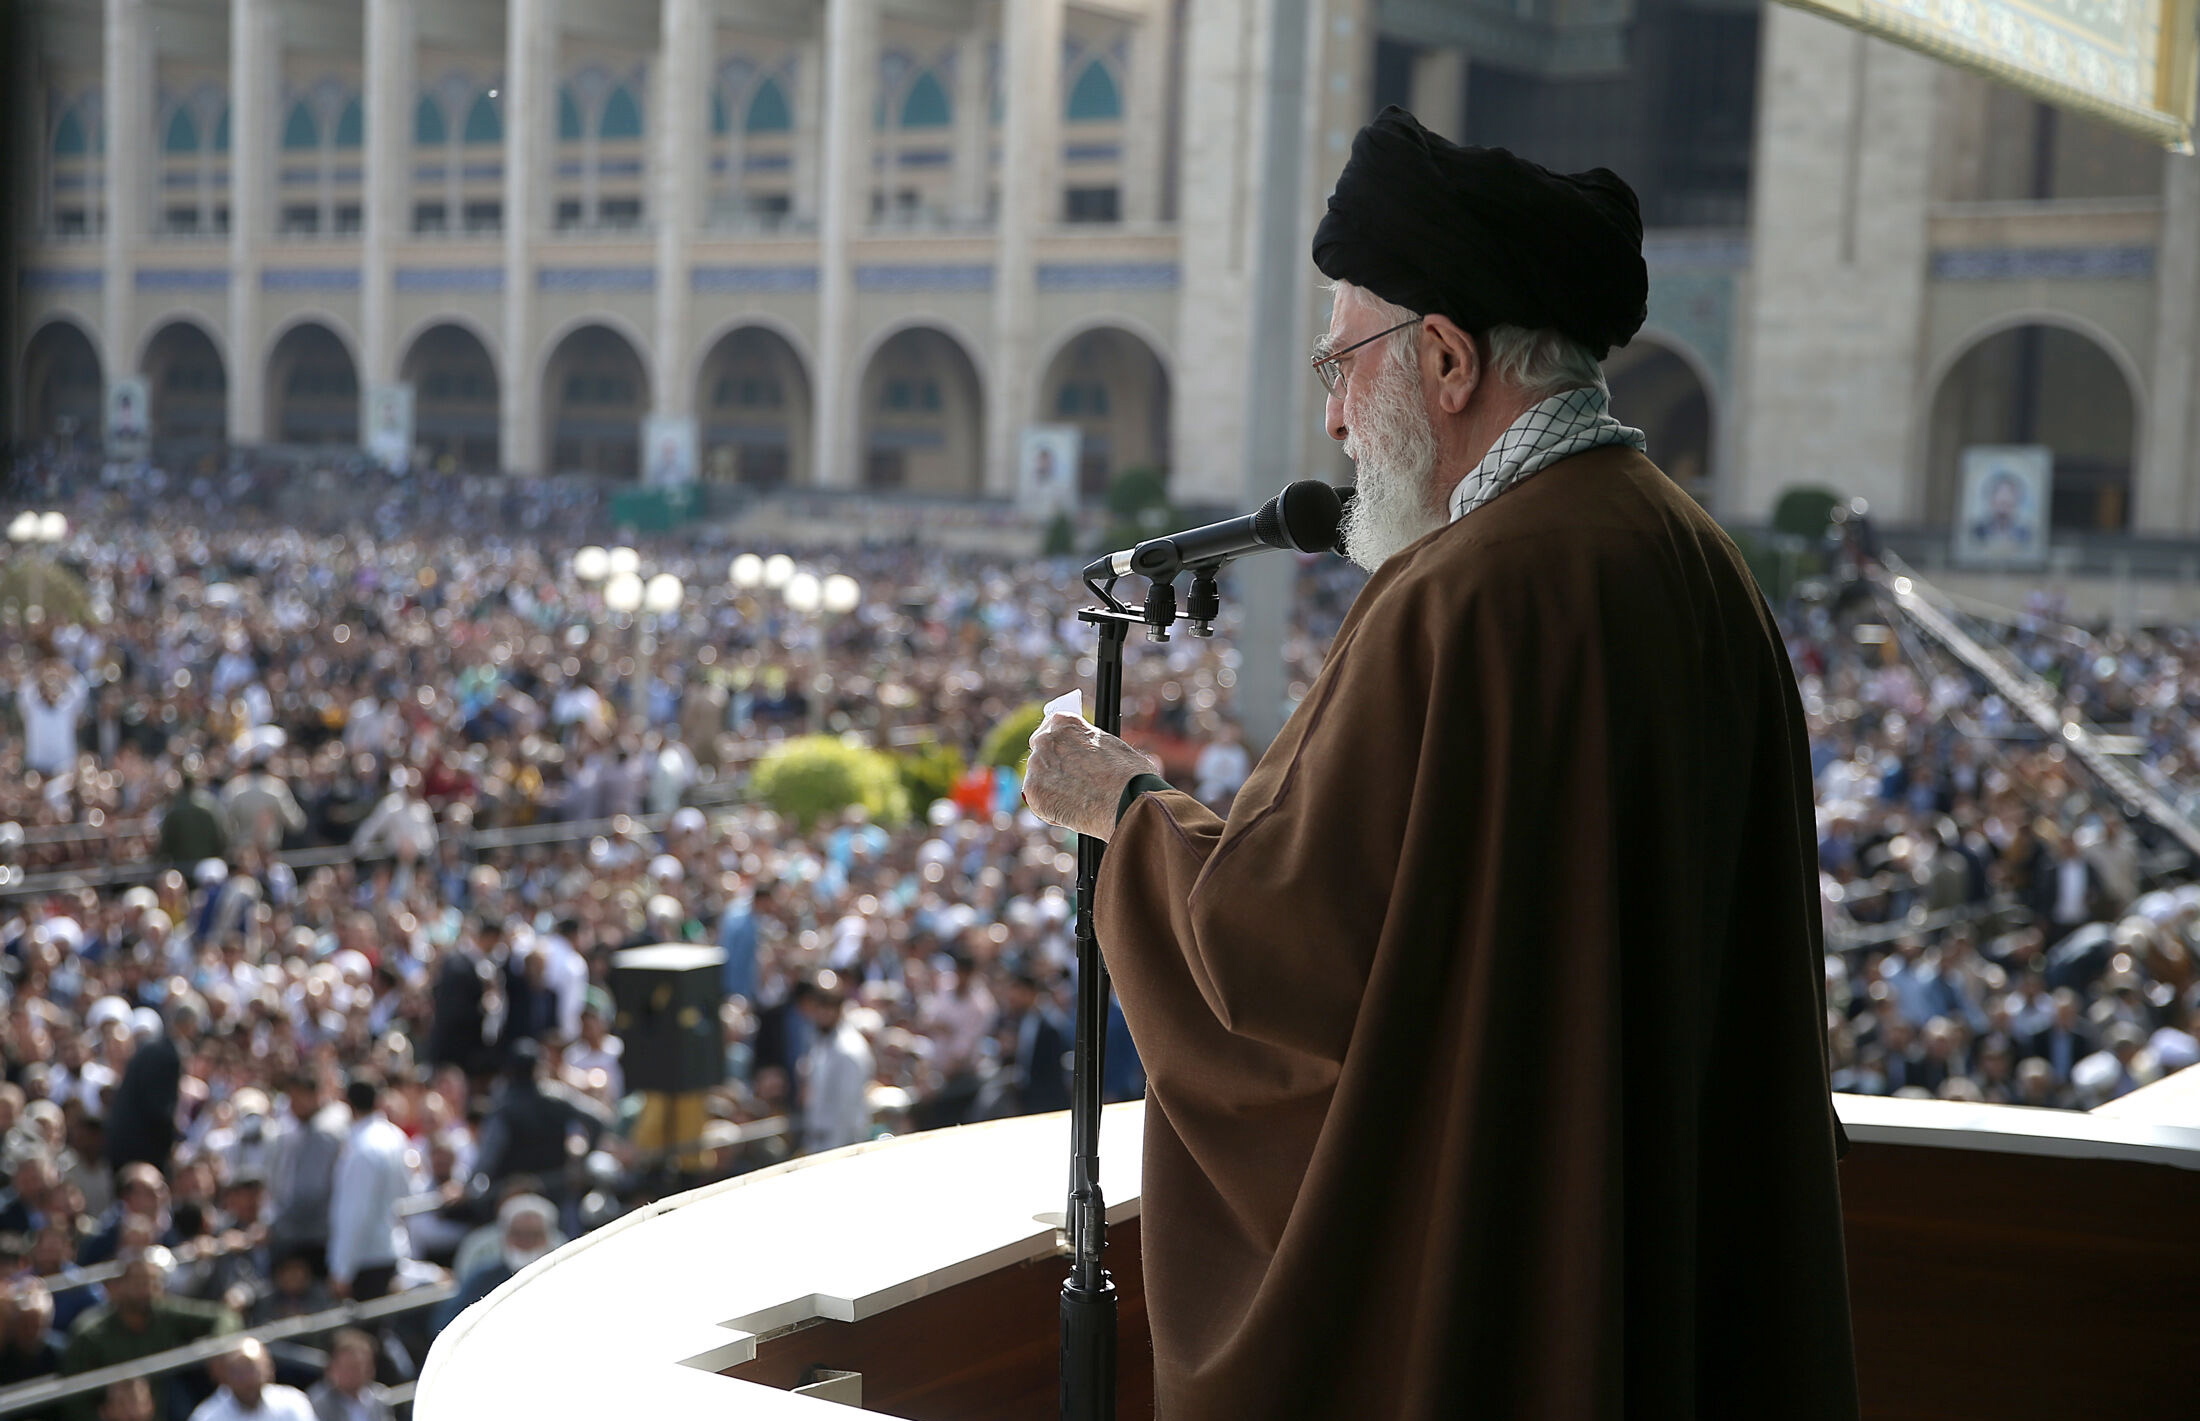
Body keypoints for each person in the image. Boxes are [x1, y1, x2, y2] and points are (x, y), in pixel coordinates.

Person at [1023, 107, 1857, 1418]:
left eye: (1341, 366)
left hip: (1517, 1277)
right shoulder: (1698, 558)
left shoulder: (1466, 594)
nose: (1339, 420)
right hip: (1669, 1251)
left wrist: (1122, 810)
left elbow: (1271, 964)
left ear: (1450, 360)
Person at [325, 1077, 412, 1303]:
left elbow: (355, 1212)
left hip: (366, 1260)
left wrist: (342, 1270)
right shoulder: (395, 1136)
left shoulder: (362, 1149)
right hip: (389, 1251)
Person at [429, 1194, 557, 1338]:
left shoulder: (560, 1276)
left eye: (534, 1234)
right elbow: (445, 1322)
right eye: (518, 1234)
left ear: (547, 1238)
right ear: (506, 1237)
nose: (526, 1241)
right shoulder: (484, 1278)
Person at [793, 978, 872, 1154]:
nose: (821, 1014)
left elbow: (846, 1110)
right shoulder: (821, 1041)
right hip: (818, 1139)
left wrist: (834, 1153)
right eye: (818, 1007)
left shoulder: (848, 1050)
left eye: (827, 1007)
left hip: (841, 1145)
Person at [188, 1337, 314, 1421]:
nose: (247, 1379)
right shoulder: (208, 1417)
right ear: (225, 1376)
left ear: (270, 1370)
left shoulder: (292, 1402)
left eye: (252, 1369)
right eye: (238, 1371)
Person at [306, 1329, 393, 1421]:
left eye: (362, 1366)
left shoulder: (379, 1398)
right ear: (333, 1367)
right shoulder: (317, 1403)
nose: (355, 1373)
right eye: (350, 1367)